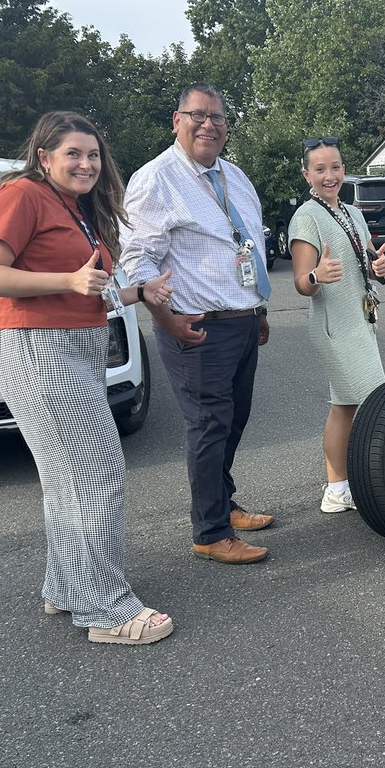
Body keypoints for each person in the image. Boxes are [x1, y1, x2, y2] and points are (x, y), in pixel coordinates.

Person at [0, 110, 176, 646]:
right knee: (97, 473)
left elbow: (91, 288)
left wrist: (137, 293)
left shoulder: (76, 207)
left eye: (93, 154)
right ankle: (106, 610)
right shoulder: (20, 196)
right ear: (44, 156)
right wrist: (68, 277)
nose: (86, 164)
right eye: (73, 154)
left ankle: (67, 586)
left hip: (80, 348)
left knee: (69, 480)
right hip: (42, 351)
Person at [119, 83, 274, 565]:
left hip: (241, 320)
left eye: (218, 117)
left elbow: (247, 246)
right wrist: (165, 319)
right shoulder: (155, 179)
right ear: (176, 120)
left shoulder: (235, 176)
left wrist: (258, 310)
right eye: (198, 115)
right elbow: (138, 259)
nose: (209, 124)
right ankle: (210, 531)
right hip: (196, 326)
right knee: (209, 425)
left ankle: (223, 503)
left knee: (234, 420)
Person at [289, 136, 385, 513]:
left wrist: (378, 268)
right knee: (377, 404)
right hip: (334, 326)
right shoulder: (306, 217)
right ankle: (381, 483)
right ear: (307, 175)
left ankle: (337, 490)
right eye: (320, 169)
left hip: (359, 320)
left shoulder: (352, 212)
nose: (329, 176)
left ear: (344, 170)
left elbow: (368, 262)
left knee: (343, 407)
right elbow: (301, 283)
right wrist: (316, 275)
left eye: (335, 167)